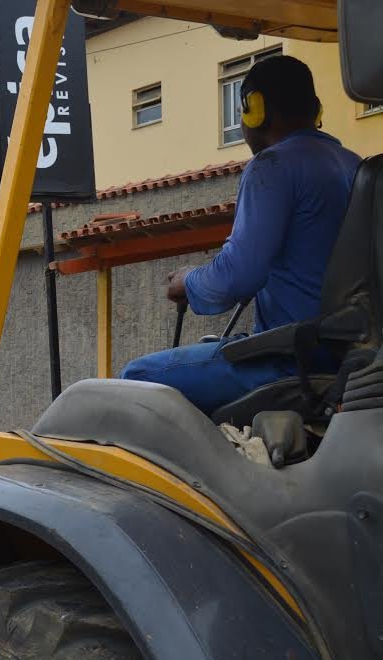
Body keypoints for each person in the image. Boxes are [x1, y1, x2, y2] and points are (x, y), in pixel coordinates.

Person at [120, 55, 362, 414]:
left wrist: (188, 281)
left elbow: (236, 277)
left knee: (135, 378)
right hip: (352, 356)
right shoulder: (353, 163)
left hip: (291, 359)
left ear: (254, 111)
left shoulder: (273, 166)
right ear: (315, 108)